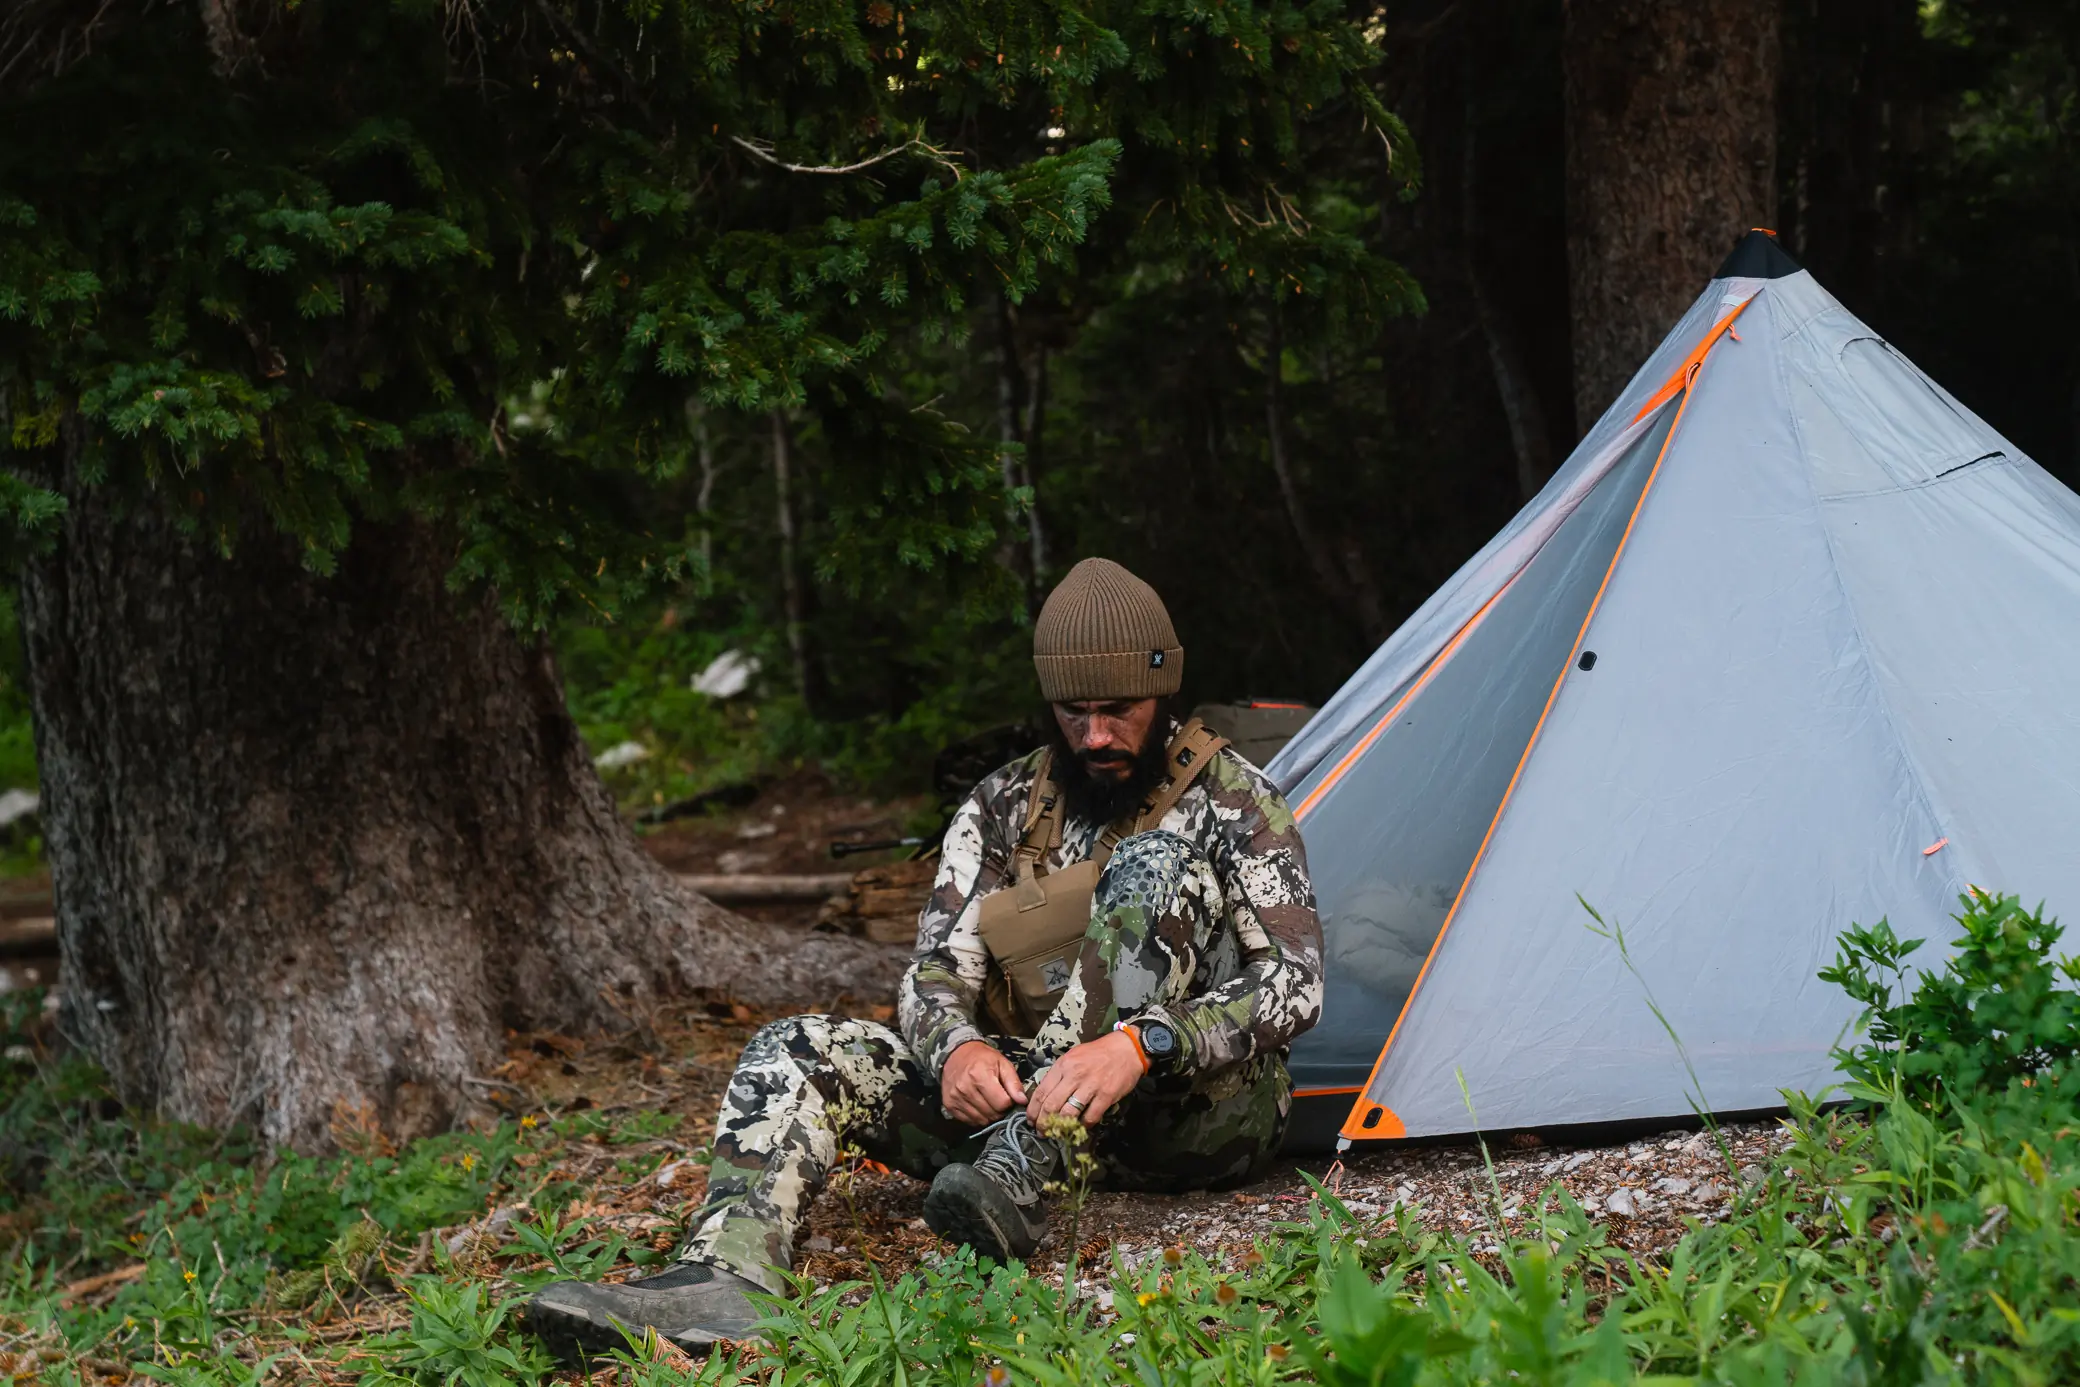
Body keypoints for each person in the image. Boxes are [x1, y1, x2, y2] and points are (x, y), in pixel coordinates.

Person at [526, 557, 1324, 1354]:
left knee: (1153, 865)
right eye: (1072, 711)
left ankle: (1030, 1162)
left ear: (1166, 691)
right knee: (796, 1046)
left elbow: (1298, 983)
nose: (1096, 735)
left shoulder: (1236, 799)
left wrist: (1142, 1044)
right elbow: (935, 972)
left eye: (1119, 710)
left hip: (1189, 1117)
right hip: (1013, 1117)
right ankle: (726, 1276)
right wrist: (959, 1047)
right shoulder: (1003, 802)